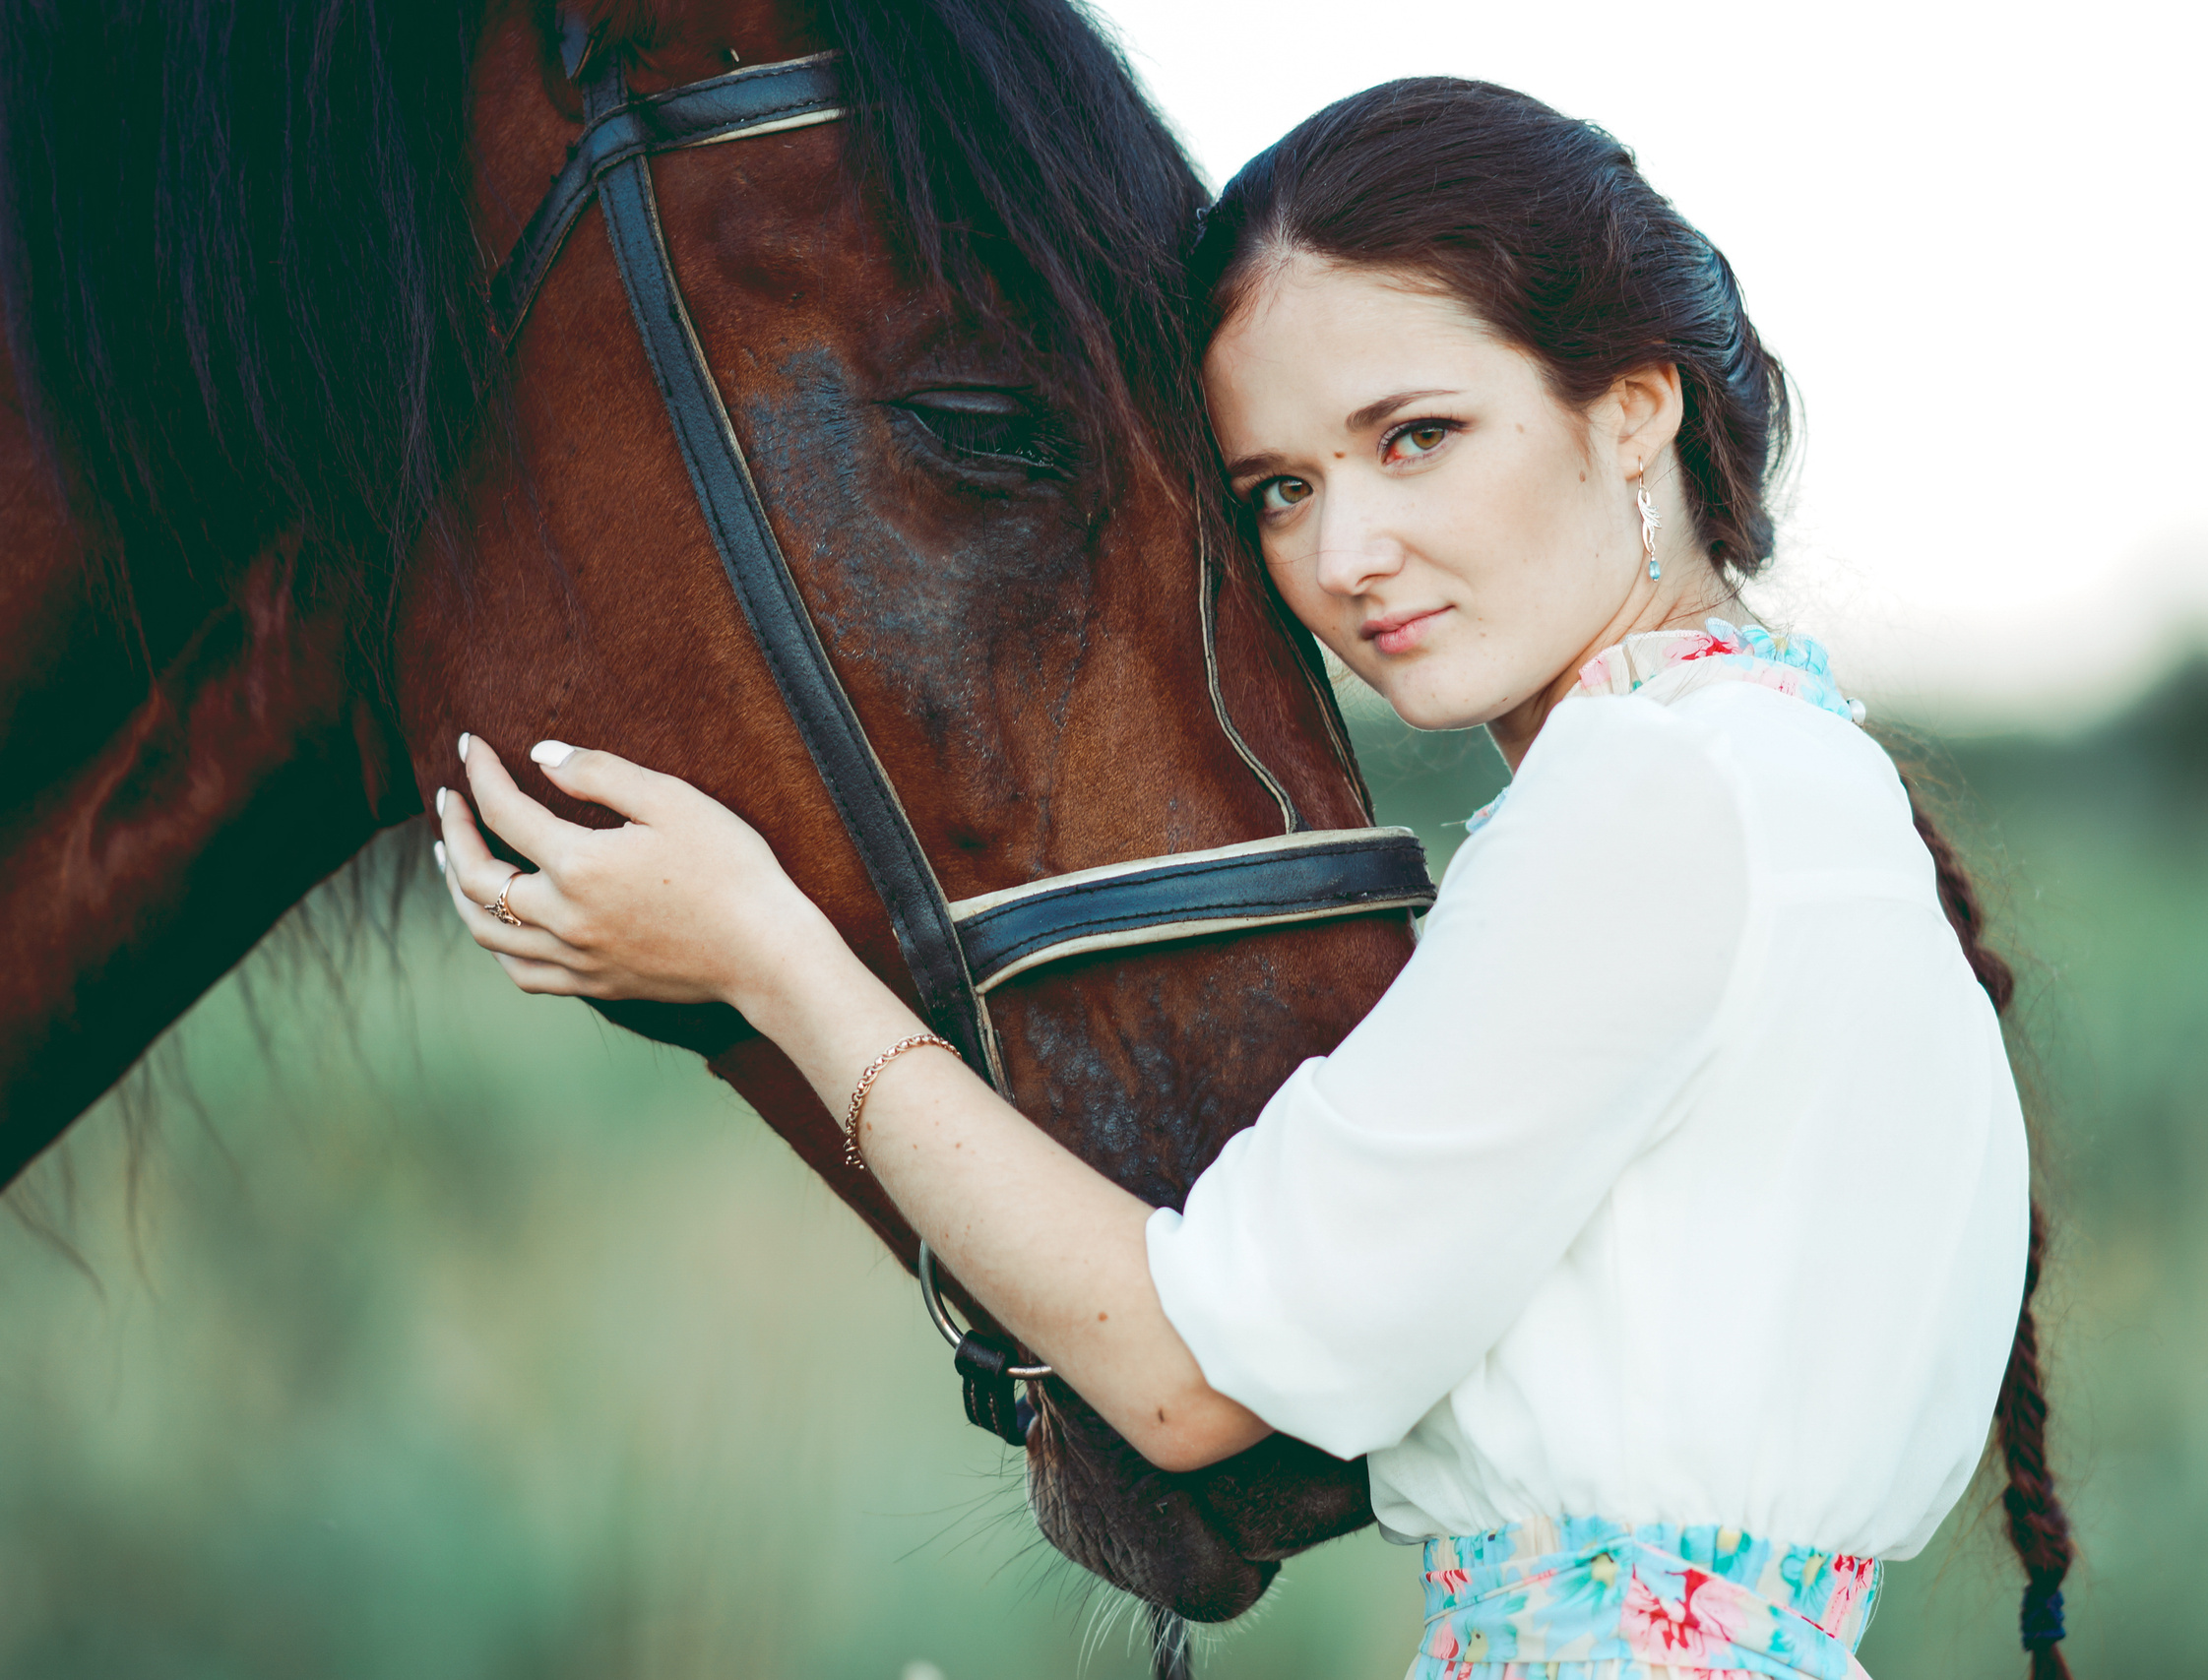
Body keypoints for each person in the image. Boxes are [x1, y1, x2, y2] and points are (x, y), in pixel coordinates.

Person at [434, 78, 2074, 1680]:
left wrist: (768, 956)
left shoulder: (1650, 798)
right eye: (1279, 490)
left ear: (1632, 405)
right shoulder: (1798, 782)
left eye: (1416, 438)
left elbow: (1183, 1378)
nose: (1342, 556)